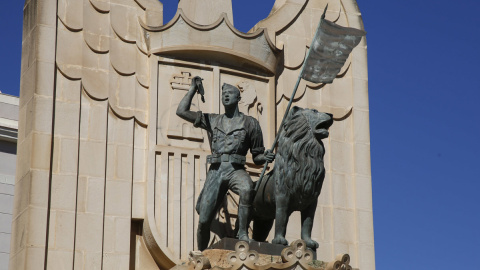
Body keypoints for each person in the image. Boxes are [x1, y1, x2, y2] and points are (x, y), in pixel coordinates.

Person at [176, 76, 275, 251]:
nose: (226, 96)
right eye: (224, 95)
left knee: (247, 189)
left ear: (238, 98)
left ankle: (242, 233)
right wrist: (192, 89)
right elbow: (182, 111)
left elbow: (257, 156)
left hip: (236, 170)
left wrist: (265, 157)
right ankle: (200, 253)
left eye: (230, 94)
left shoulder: (251, 123)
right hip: (216, 171)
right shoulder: (213, 120)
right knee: (204, 220)